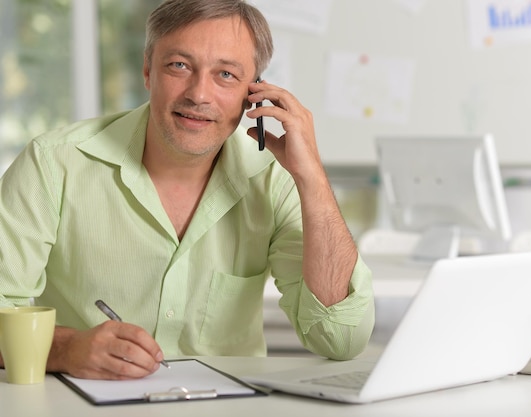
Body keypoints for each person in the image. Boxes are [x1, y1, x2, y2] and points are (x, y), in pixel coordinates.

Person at [0, 0, 374, 380]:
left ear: (254, 93)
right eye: (179, 65)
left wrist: (312, 177)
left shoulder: (274, 179)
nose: (199, 94)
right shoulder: (54, 163)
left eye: (226, 74)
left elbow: (340, 338)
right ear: (148, 71)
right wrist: (63, 348)